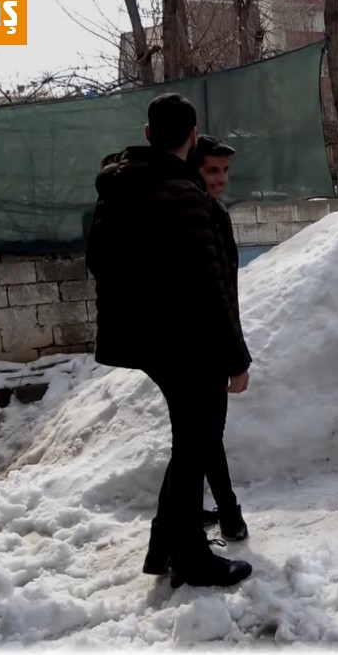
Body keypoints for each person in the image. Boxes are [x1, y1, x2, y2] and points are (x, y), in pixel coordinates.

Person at [87, 93, 252, 587]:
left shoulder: (118, 189)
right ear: (193, 137)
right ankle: (191, 557)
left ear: (148, 134)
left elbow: (98, 261)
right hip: (187, 339)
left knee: (191, 442)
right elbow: (208, 286)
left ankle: (165, 546)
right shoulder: (183, 194)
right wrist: (236, 358)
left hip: (143, 335)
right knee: (198, 441)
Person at [187, 134, 248, 542]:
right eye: (212, 170)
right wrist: (236, 357)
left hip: (209, 340)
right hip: (198, 344)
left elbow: (228, 288)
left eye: (224, 170)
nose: (221, 178)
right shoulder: (195, 213)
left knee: (202, 434)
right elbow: (213, 292)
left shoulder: (215, 211)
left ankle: (196, 510)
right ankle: (227, 511)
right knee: (206, 433)